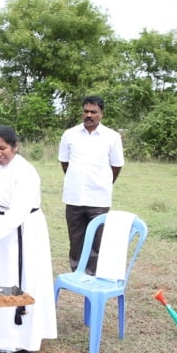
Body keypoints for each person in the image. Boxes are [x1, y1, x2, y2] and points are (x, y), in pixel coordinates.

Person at [0, 126, 57, 353]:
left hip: (23, 232)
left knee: (22, 280)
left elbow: (17, 211)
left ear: (15, 146)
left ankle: (25, 341)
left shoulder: (26, 172)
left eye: (3, 148)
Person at [58, 95, 124, 275]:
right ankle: (77, 272)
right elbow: (65, 163)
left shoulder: (112, 137)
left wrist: (103, 183)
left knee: (97, 238)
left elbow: (116, 166)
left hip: (99, 198)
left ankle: (93, 273)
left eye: (93, 112)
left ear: (101, 114)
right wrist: (77, 179)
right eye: (86, 111)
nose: (89, 115)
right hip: (73, 197)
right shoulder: (69, 135)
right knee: (76, 237)